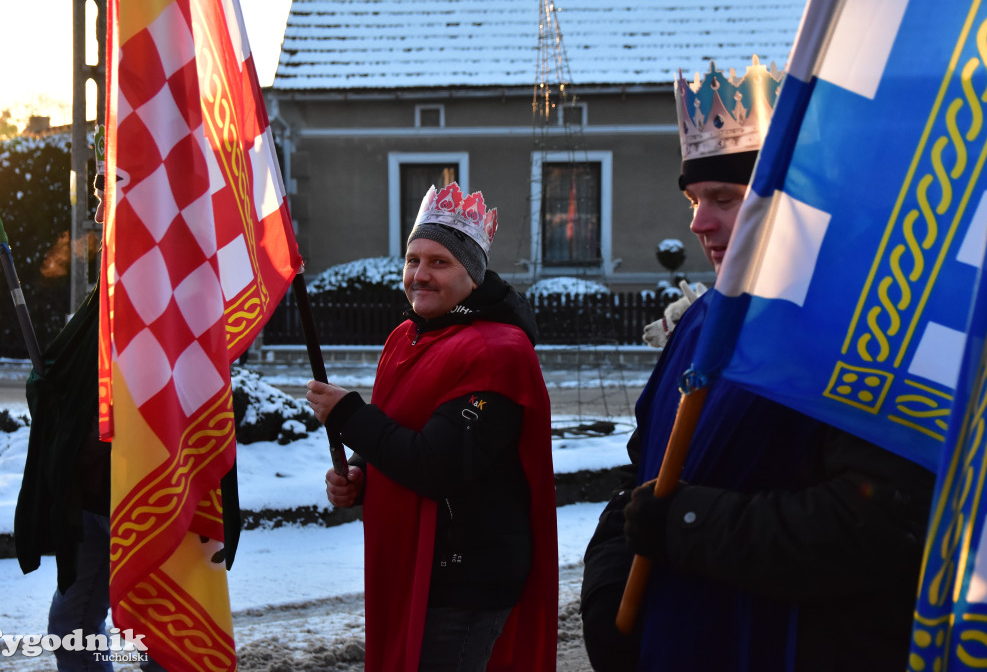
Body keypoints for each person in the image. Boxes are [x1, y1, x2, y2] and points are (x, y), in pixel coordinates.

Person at [579, 58, 935, 672]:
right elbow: (641, 480)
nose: (698, 222)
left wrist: (687, 523)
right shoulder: (699, 322)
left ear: (791, 202)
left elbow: (879, 521)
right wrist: (609, 594)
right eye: (693, 198)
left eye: (723, 198)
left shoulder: (860, 331)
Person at [306, 182, 558, 672]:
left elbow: (437, 464)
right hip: (411, 565)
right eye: (412, 260)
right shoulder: (406, 336)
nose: (419, 275)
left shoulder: (497, 352)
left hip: (463, 580)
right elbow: (405, 421)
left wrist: (349, 416)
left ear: (473, 274)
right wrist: (360, 471)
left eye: (439, 262)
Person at [14, 149, 171, 671]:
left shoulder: (167, 291)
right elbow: (73, 386)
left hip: (150, 500)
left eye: (112, 197)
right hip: (91, 505)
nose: (101, 212)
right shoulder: (103, 293)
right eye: (100, 197)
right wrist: (49, 385)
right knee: (73, 627)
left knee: (158, 634)